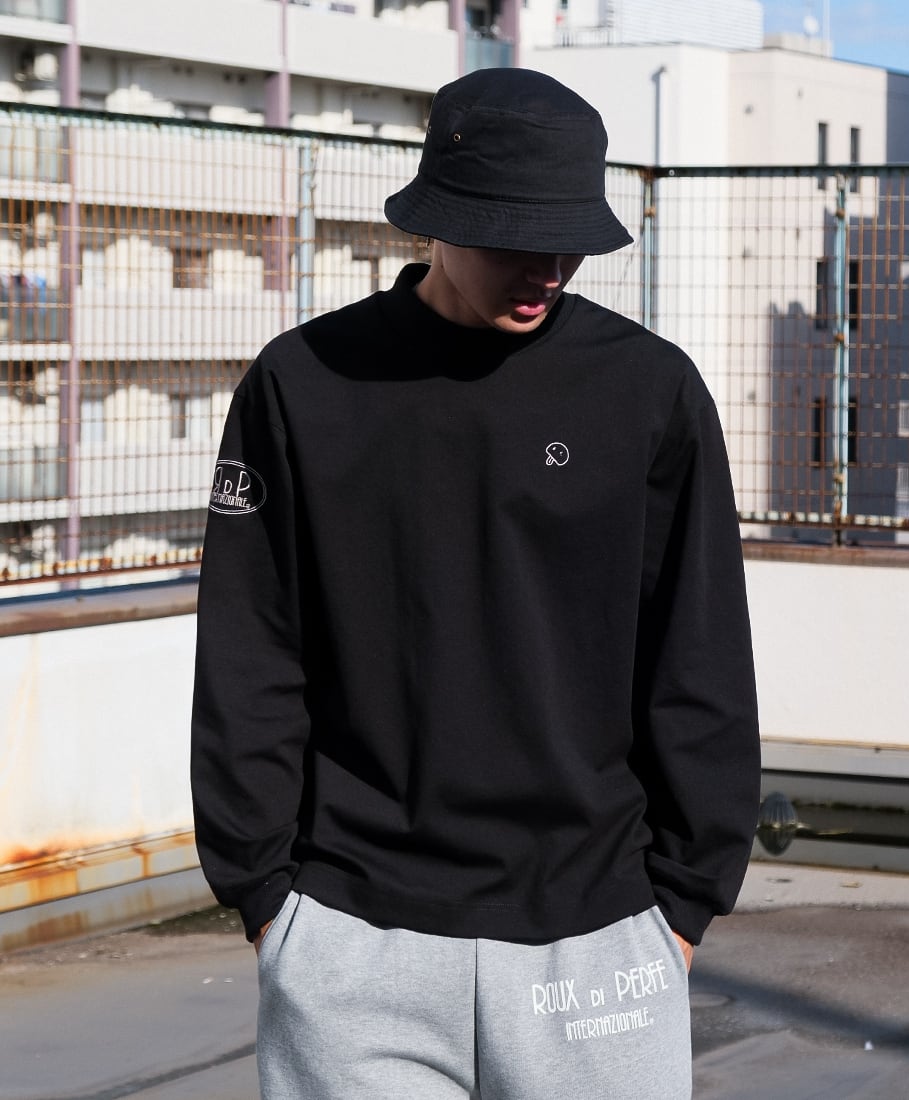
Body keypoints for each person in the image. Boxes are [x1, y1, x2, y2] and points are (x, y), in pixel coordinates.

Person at [191, 67, 760, 1100]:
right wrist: (266, 900)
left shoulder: (647, 391)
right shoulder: (305, 383)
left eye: (568, 242)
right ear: (439, 219)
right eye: (515, 240)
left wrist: (681, 906)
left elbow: (699, 653)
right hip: (352, 939)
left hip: (597, 938)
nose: (546, 270)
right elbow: (251, 649)